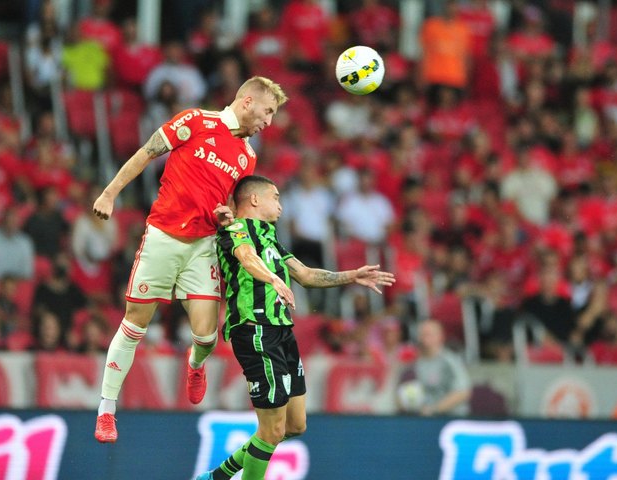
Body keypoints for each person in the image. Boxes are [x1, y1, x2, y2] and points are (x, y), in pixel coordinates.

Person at [93, 76, 288, 443]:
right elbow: (147, 152)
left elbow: (231, 206)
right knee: (135, 325)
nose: (269, 121)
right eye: (268, 111)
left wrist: (227, 218)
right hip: (163, 238)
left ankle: (195, 364)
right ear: (247, 101)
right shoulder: (195, 121)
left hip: (202, 246)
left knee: (207, 335)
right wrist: (109, 194)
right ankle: (106, 410)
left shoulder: (248, 156)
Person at [196, 175, 395, 480]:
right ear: (254, 200)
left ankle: (217, 477)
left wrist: (352, 275)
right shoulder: (235, 228)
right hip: (255, 328)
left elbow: (305, 274)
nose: (280, 204)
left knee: (294, 426)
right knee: (271, 429)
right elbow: (246, 258)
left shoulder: (270, 238)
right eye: (275, 197)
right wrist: (273, 279)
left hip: (282, 331)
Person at [398, 319, 471, 416]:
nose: (424, 337)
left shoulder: (450, 361)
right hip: (424, 418)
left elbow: (463, 392)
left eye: (429, 334)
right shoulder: (416, 362)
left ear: (440, 336)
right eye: (422, 334)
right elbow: (407, 391)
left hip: (451, 417)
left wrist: (434, 409)